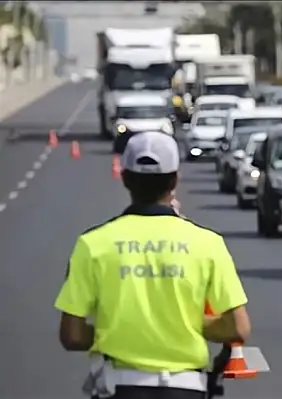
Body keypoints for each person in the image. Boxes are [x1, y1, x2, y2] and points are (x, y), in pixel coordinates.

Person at [54, 131, 251, 399]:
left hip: (119, 388)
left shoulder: (92, 244)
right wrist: (185, 323)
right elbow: (238, 328)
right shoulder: (208, 243)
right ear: (175, 180)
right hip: (187, 388)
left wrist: (118, 330)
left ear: (124, 178)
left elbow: (72, 335)